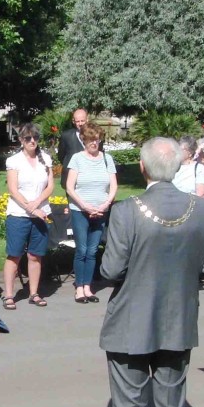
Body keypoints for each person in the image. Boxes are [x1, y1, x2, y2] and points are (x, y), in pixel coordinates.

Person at [94, 138, 204, 407]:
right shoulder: (200, 209)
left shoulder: (128, 211)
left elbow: (110, 269)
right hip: (178, 320)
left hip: (132, 321)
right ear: (178, 168)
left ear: (143, 168)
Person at [2, 122, 54, 310]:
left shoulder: (46, 159)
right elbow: (13, 190)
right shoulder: (14, 161)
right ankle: (8, 295)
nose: (32, 141)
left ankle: (34, 292)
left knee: (35, 256)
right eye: (28, 138)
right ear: (21, 140)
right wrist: (31, 208)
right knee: (14, 255)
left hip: (40, 214)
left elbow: (50, 186)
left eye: (36, 137)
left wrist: (38, 202)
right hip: (18, 214)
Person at [66, 122, 118, 304]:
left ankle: (88, 287)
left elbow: (113, 185)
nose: (93, 143)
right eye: (90, 139)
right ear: (84, 140)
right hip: (80, 210)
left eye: (96, 139)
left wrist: (105, 204)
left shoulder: (107, 159)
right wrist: (85, 205)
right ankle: (79, 288)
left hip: (101, 210)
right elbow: (70, 187)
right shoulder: (77, 159)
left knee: (93, 250)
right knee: (82, 249)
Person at [58, 108, 89, 189]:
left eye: (83, 121)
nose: (80, 123)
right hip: (71, 179)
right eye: (78, 121)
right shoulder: (66, 136)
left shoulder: (95, 136)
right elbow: (61, 156)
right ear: (73, 121)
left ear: (87, 120)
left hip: (89, 178)